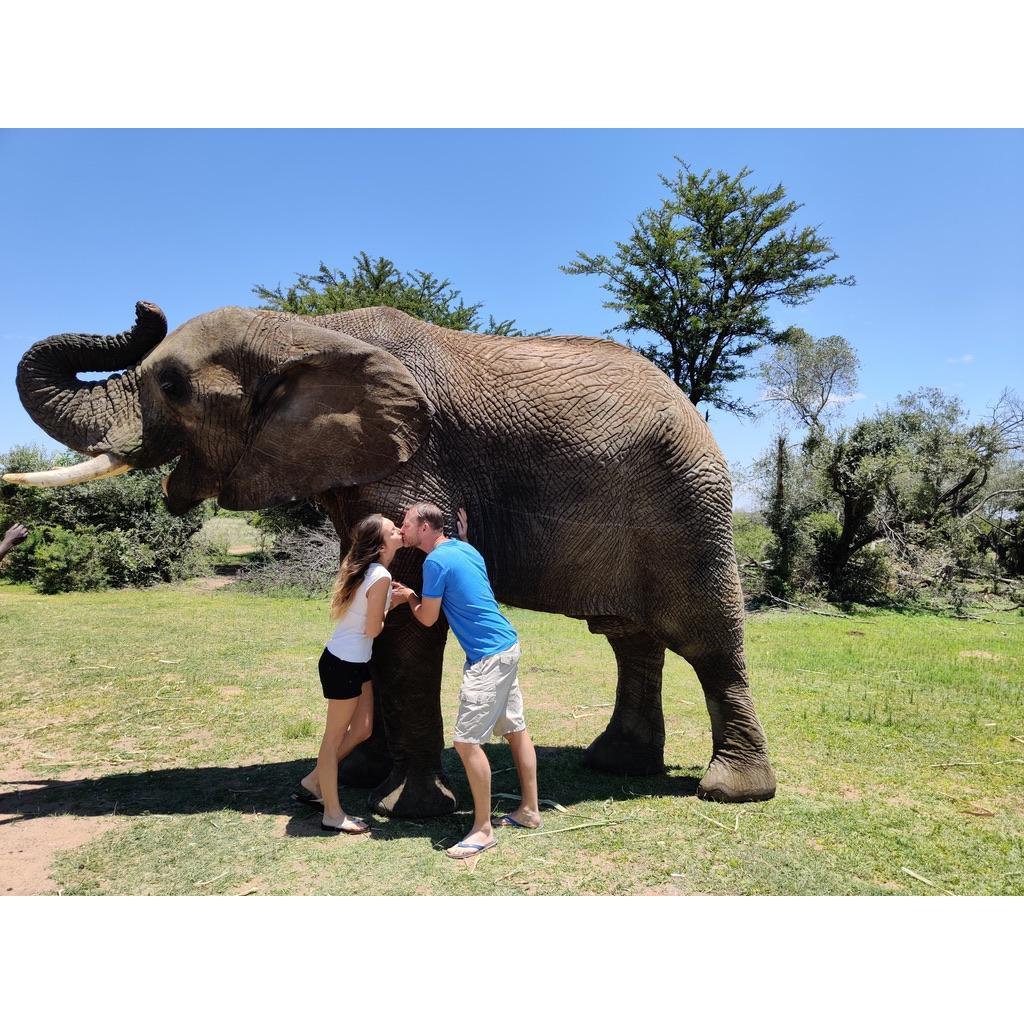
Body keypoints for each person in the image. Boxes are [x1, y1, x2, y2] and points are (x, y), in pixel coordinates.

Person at [391, 502, 540, 860]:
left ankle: (482, 830)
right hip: (507, 645)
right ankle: (530, 811)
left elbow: (427, 618)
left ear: (425, 527)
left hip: (489, 657)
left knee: (465, 742)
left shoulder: (434, 562)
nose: (402, 528)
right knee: (515, 730)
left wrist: (408, 596)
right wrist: (464, 538)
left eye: (407, 523)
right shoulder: (465, 549)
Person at [296, 514, 404, 834]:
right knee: (332, 740)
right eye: (391, 529)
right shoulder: (380, 575)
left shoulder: (370, 571)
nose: (398, 529)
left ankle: (315, 779)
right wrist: (391, 606)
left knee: (363, 729)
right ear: (382, 543)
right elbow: (372, 628)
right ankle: (332, 812)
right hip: (345, 663)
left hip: (351, 661)